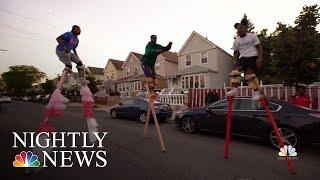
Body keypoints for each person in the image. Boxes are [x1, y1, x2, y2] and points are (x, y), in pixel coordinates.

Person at [226, 18, 264, 100]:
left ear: (245, 28)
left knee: (249, 75)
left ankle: (256, 93)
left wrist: (259, 58)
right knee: (235, 72)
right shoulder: (236, 41)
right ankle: (234, 89)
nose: (239, 30)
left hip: (252, 57)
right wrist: (235, 61)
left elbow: (259, 48)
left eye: (241, 28)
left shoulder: (252, 36)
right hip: (242, 58)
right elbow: (236, 52)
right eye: (238, 28)